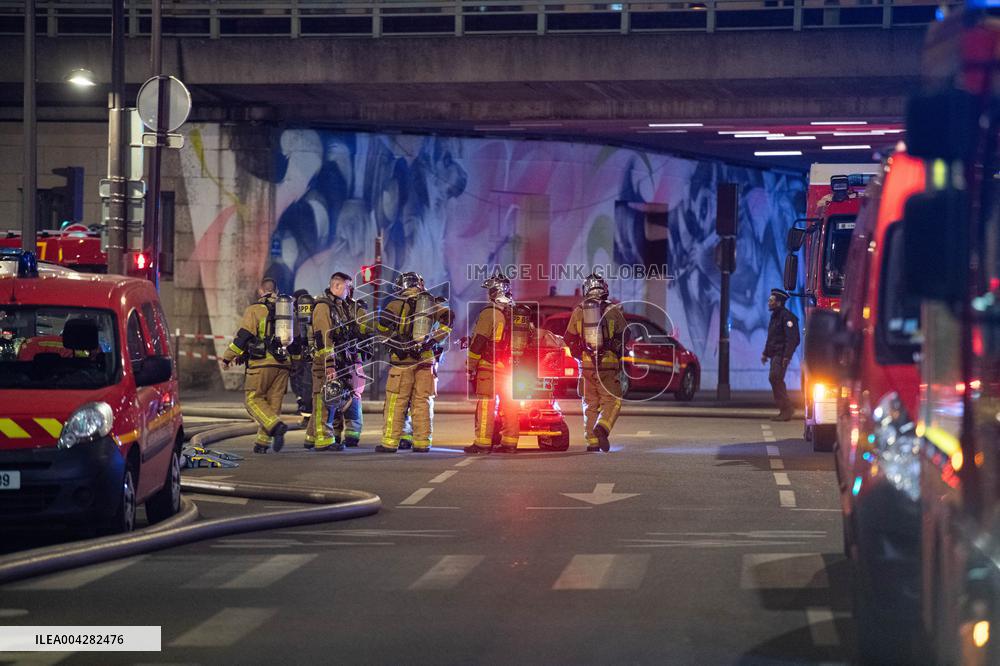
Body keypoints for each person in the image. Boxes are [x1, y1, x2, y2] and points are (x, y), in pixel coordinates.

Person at [375, 272, 452, 453]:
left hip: (402, 363)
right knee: (422, 402)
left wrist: (395, 340)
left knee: (396, 401)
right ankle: (422, 443)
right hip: (426, 361)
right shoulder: (432, 303)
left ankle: (389, 443)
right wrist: (433, 341)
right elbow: (449, 320)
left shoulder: (395, 304)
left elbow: (382, 326)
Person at [222, 277, 290, 454]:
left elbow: (244, 335)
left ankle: (276, 426)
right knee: (272, 405)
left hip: (262, 363)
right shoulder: (287, 310)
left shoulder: (254, 310)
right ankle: (262, 442)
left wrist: (228, 357)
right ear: (275, 290)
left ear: (261, 291)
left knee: (252, 400)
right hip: (283, 364)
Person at [563, 273, 628, 452]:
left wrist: (580, 355)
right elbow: (625, 335)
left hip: (586, 366)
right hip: (608, 365)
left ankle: (592, 443)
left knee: (589, 404)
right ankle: (602, 427)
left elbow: (568, 338)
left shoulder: (579, 310)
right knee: (612, 401)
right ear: (604, 289)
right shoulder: (612, 309)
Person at [306, 272, 362, 451]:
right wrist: (329, 365)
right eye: (347, 287)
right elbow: (324, 338)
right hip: (326, 363)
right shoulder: (323, 307)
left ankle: (313, 437)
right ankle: (323, 441)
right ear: (337, 287)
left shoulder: (339, 306)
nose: (349, 291)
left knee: (332, 399)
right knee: (324, 399)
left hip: (339, 362)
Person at [465, 275, 520, 454]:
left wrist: (471, 365)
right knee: (510, 406)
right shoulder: (512, 313)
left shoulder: (490, 313)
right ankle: (510, 442)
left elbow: (479, 342)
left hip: (489, 367)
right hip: (509, 369)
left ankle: (482, 443)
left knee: (486, 404)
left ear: (494, 292)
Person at [327, 274, 372, 448]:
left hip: (352, 359)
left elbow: (366, 329)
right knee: (336, 395)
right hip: (341, 359)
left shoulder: (354, 308)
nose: (349, 290)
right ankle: (338, 434)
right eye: (348, 287)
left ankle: (351, 435)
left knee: (352, 395)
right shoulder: (332, 307)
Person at [762, 287, 800, 421]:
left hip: (781, 355)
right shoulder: (775, 317)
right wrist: (766, 354)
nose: (769, 302)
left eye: (771, 300)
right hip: (775, 355)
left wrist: (787, 356)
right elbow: (771, 337)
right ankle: (784, 410)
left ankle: (787, 409)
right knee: (775, 378)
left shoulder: (787, 317)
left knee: (775, 378)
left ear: (778, 302)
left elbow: (793, 339)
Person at [288, 289, 315, 428]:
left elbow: (298, 333)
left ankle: (306, 412)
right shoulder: (311, 310)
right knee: (305, 383)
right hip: (306, 352)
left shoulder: (297, 312)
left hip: (301, 352)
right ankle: (305, 409)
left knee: (304, 383)